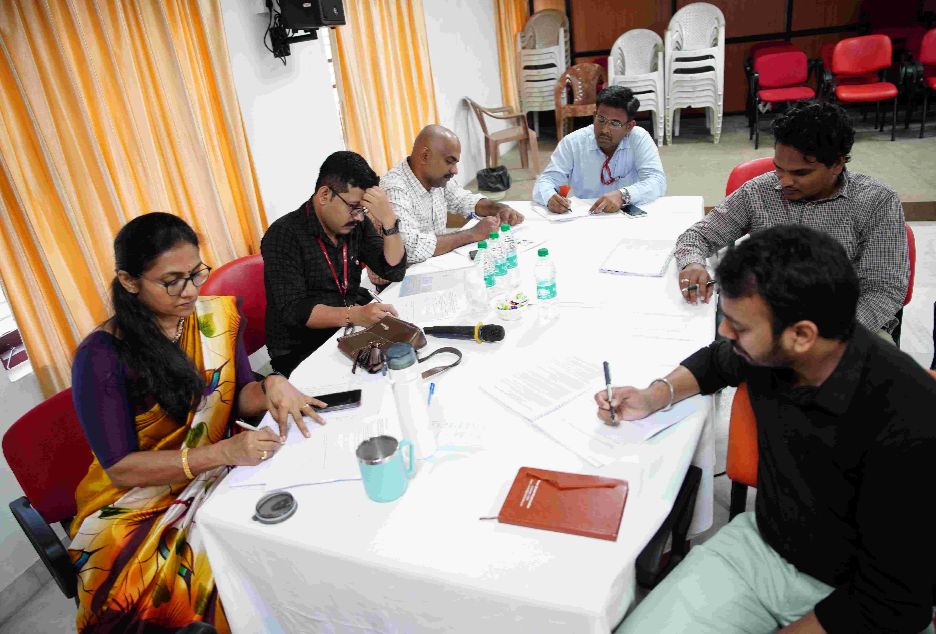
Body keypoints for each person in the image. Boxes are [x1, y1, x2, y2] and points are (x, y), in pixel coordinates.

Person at [597, 225, 936, 634]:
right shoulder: (769, 351)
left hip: (856, 596)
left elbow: (891, 603)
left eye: (739, 327)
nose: (726, 333)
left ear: (802, 335)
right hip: (763, 548)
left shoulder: (910, 421)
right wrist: (653, 396)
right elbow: (715, 362)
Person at [69, 213, 326, 633]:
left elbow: (237, 396)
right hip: (137, 499)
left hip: (216, 463)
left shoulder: (215, 319)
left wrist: (271, 386)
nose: (190, 290)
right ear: (129, 281)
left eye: (196, 274)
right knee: (200, 577)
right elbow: (120, 468)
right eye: (171, 281)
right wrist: (221, 453)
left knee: (294, 521)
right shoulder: (100, 357)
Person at [673, 101, 908, 336]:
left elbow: (883, 289)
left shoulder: (876, 201)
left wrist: (824, 338)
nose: (784, 181)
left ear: (837, 164)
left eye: (800, 173)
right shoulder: (758, 192)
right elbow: (697, 236)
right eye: (779, 168)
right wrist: (692, 264)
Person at [262, 151, 406, 376]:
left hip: (347, 329)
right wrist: (355, 315)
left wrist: (389, 221)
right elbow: (295, 311)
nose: (359, 217)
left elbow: (393, 269)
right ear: (324, 195)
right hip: (302, 348)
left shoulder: (355, 224)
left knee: (402, 361)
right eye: (354, 207)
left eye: (363, 210)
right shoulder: (283, 235)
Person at [380, 124, 524, 265]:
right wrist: (472, 234)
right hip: (408, 273)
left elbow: (464, 200)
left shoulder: (436, 178)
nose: (455, 170)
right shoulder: (395, 188)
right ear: (425, 156)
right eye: (449, 162)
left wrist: (498, 208)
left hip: (437, 263)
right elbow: (409, 248)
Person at [532, 85, 666, 214]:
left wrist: (623, 195)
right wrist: (550, 198)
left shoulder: (639, 138)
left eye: (615, 123)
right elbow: (546, 180)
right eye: (601, 119)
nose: (605, 130)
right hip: (585, 216)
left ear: (629, 126)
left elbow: (657, 181)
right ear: (594, 115)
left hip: (628, 215)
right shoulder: (573, 143)